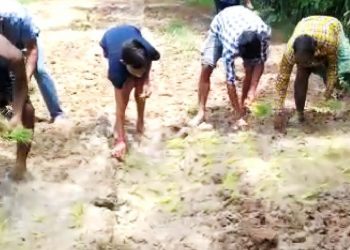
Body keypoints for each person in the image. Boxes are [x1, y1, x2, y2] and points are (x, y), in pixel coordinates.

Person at [190, 6, 271, 127]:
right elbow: (230, 82)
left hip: (240, 19)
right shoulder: (230, 47)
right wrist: (237, 117)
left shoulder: (264, 34)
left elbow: (260, 62)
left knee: (250, 69)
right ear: (239, 50)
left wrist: (253, 90)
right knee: (207, 66)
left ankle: (243, 104)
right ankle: (201, 112)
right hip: (220, 27)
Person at [274, 16, 350, 131]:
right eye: (300, 61)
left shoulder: (329, 43)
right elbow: (282, 79)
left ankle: (342, 98)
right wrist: (279, 110)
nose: (304, 64)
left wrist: (328, 91)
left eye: (307, 61)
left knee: (344, 69)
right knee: (301, 75)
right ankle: (299, 114)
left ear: (314, 52)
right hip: (306, 23)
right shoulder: (289, 53)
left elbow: (332, 68)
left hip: (332, 27)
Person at [100, 24, 160, 160]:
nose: (139, 74)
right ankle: (118, 129)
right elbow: (119, 109)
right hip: (109, 38)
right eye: (136, 71)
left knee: (141, 90)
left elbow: (149, 61)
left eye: (142, 69)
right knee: (124, 96)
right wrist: (121, 141)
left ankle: (141, 123)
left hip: (132, 31)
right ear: (123, 63)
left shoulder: (149, 51)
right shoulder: (116, 72)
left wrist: (146, 79)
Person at [0, 1, 65, 123]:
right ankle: (9, 113)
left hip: (26, 40)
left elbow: (32, 49)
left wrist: (26, 78)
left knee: (40, 71)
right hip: (7, 44)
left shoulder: (19, 17)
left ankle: (57, 114)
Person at [0, 34, 34, 181]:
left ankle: (21, 165)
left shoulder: (12, 55)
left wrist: (16, 115)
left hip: (2, 89)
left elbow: (21, 83)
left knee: (27, 111)